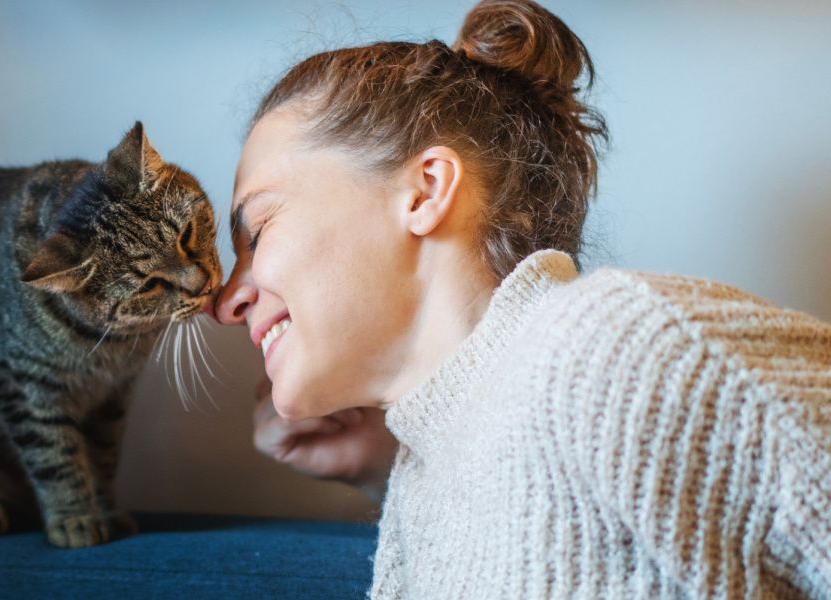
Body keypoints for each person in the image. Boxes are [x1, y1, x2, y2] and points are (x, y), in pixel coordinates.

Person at [212, 0, 831, 597]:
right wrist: (386, 470)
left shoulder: (607, 348)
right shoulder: (422, 482)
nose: (223, 301)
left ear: (426, 191)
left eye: (258, 231)